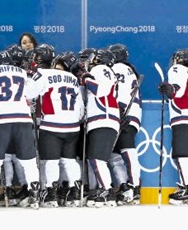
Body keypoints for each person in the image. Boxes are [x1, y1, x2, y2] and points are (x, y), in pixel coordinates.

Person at [0, 49, 45, 210]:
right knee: (29, 162)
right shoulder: (22, 72)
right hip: (23, 118)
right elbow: (32, 93)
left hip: (1, 119)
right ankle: (34, 194)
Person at [31, 48, 84, 208]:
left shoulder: (42, 74)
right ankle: (75, 193)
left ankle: (50, 194)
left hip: (52, 125)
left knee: (51, 161)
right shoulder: (73, 78)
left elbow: (28, 93)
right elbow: (81, 108)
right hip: (73, 126)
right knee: (69, 160)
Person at [157, 48, 188, 206]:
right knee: (181, 155)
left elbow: (176, 89)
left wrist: (170, 90)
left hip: (183, 117)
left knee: (183, 155)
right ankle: (186, 187)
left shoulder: (177, 69)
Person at [81, 48, 119, 206]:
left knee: (97, 159)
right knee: (98, 159)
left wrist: (86, 79)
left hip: (103, 118)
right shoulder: (106, 71)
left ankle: (106, 190)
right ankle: (104, 189)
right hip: (105, 119)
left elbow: (100, 90)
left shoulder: (100, 69)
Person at [107, 43, 142, 205]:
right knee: (115, 154)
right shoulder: (128, 69)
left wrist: (119, 111)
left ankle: (134, 186)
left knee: (127, 152)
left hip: (125, 115)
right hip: (126, 114)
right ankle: (124, 185)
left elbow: (119, 92)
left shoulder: (120, 68)